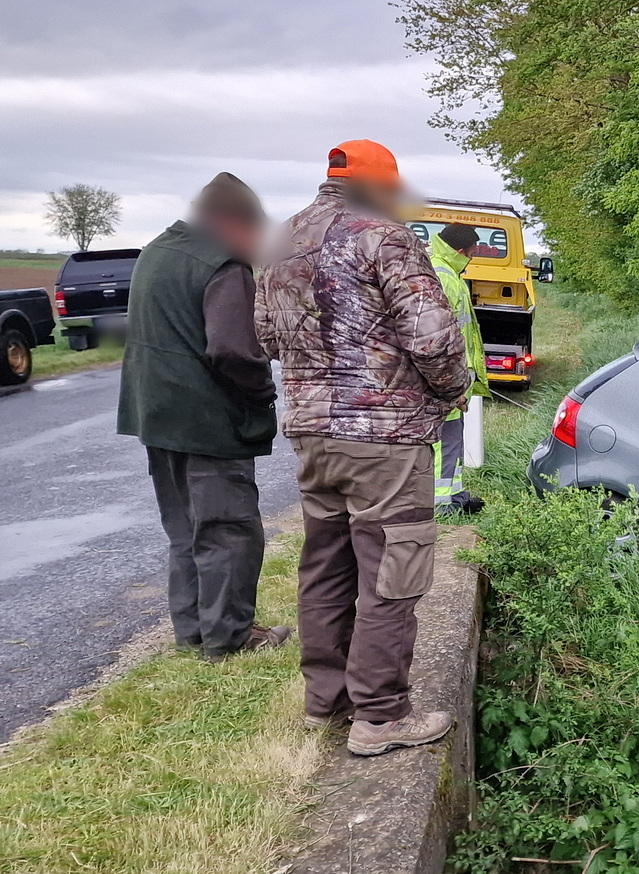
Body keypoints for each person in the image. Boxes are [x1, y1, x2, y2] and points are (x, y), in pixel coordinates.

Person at [256, 140, 471, 757]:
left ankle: (326, 700)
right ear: (378, 185)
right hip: (385, 438)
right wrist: (450, 393)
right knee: (392, 570)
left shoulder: (280, 240)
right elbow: (432, 337)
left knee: (326, 564)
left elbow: (265, 335)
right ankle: (379, 714)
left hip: (312, 433)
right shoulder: (385, 237)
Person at [117, 172, 292, 662]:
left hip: (158, 416)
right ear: (234, 223)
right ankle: (230, 637)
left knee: (186, 528)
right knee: (229, 530)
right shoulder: (223, 264)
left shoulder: (158, 250)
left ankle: (193, 629)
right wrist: (261, 394)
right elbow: (234, 351)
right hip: (208, 420)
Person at [427, 223, 491, 516]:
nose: (472, 259)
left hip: (449, 377)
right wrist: (451, 384)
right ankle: (443, 503)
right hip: (445, 379)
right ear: (459, 251)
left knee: (452, 438)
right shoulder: (444, 278)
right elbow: (438, 340)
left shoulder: (441, 271)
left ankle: (454, 494)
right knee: (445, 440)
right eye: (472, 253)